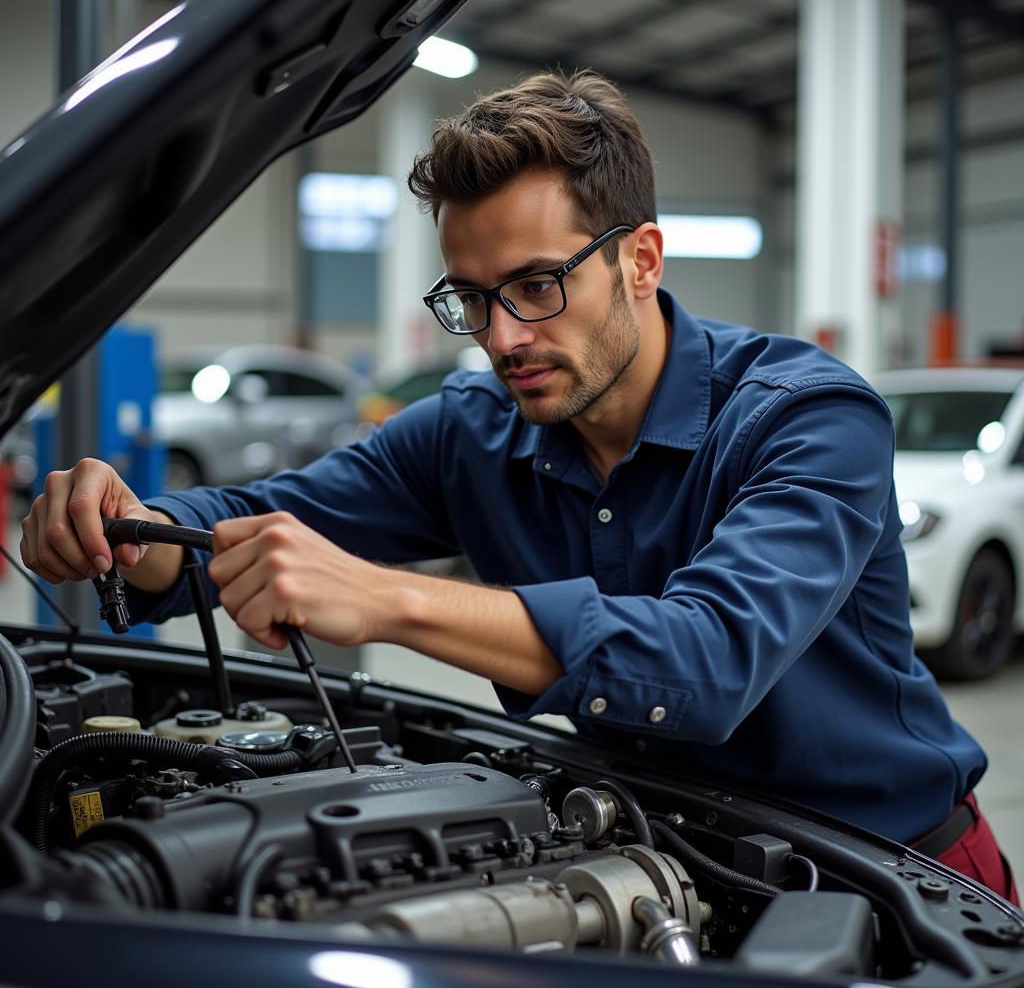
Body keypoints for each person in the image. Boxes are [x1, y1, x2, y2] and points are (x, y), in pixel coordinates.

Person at [20, 71, 1017, 903]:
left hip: (899, 882)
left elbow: (704, 664)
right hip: (664, 867)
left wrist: (388, 598)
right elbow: (247, 523)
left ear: (640, 258)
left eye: (537, 286)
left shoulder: (807, 417)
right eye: (471, 297)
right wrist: (128, 525)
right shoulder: (469, 435)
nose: (501, 337)